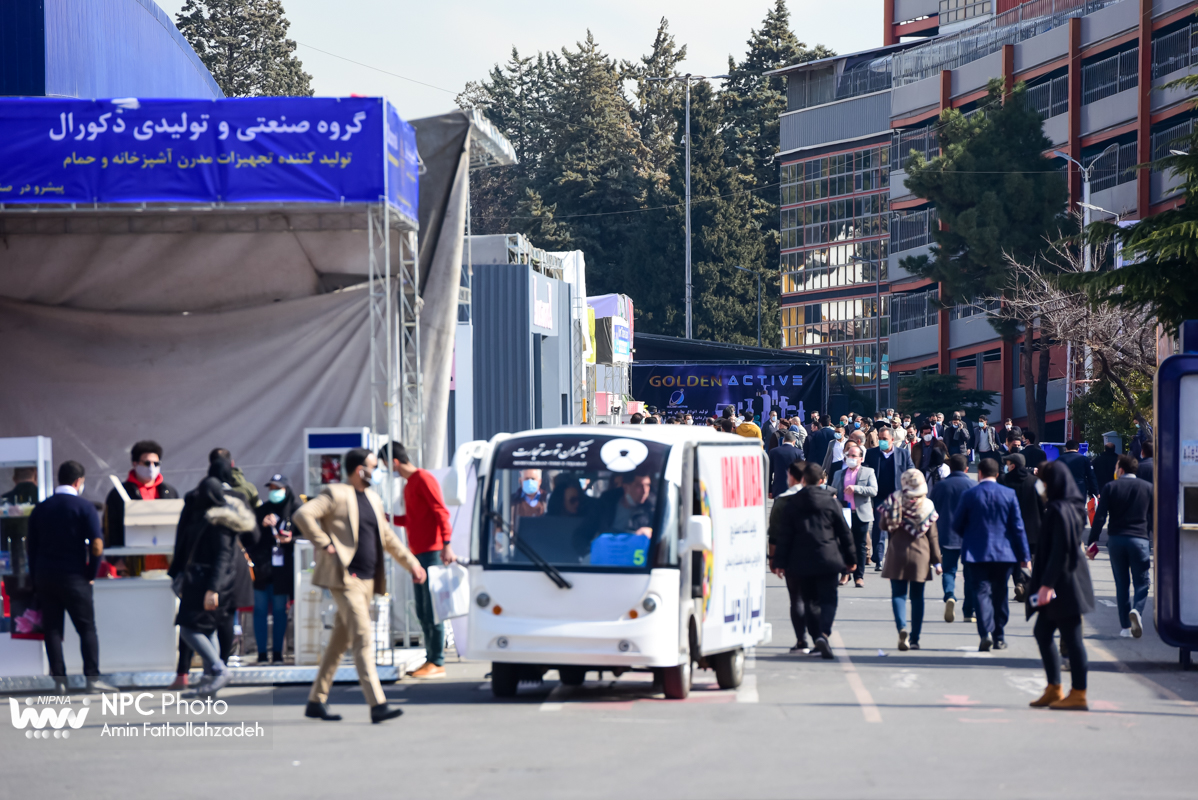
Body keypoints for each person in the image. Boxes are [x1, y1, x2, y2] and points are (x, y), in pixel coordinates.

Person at [295, 448, 425, 723]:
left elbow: (388, 537)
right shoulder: (336, 493)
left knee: (338, 644)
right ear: (359, 469)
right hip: (345, 580)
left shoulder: (374, 499)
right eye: (373, 466)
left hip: (368, 581)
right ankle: (377, 704)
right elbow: (303, 515)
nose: (377, 471)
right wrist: (324, 542)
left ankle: (315, 701)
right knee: (364, 638)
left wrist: (412, 563)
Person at [169, 473, 256, 699]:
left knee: (188, 627)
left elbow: (222, 558)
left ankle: (218, 670)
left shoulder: (218, 523)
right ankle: (209, 681)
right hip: (203, 581)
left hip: (206, 583)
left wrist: (213, 589)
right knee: (208, 629)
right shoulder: (210, 518)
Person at [27, 461, 110, 693]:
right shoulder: (84, 508)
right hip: (75, 576)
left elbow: (31, 549)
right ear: (78, 481)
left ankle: (59, 682)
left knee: (52, 629)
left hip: (45, 575)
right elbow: (96, 544)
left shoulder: (40, 508)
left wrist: (36, 577)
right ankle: (92, 679)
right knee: (86, 628)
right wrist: (91, 573)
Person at [381, 443, 455, 680]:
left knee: (431, 608)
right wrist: (389, 518)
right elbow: (413, 519)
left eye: (384, 464)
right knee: (422, 609)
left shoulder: (423, 478)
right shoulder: (409, 484)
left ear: (394, 462)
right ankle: (431, 657)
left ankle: (437, 661)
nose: (385, 469)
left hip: (431, 552)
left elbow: (440, 511)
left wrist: (447, 544)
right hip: (417, 553)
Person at [770, 463, 856, 660]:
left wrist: (778, 561)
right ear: (822, 481)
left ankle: (815, 636)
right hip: (829, 557)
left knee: (809, 601)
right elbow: (844, 532)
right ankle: (824, 634)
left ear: (802, 480)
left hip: (801, 560)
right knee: (828, 598)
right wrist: (851, 559)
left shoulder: (792, 503)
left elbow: (785, 535)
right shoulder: (831, 502)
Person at [1028, 461, 1095, 711]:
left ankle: (1078, 692)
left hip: (1063, 585)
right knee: (1044, 633)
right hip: (1063, 582)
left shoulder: (1058, 509)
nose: (1040, 485)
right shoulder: (1071, 505)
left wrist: (1047, 584)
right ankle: (1054, 687)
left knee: (1072, 638)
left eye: (1042, 480)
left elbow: (1060, 550)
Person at [951, 457, 1031, 651]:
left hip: (976, 553)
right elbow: (1018, 527)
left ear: (979, 473)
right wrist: (1025, 556)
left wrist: (969, 536)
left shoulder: (970, 495)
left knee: (981, 593)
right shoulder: (1009, 494)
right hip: (1004, 554)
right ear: (997, 474)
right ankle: (999, 635)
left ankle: (984, 632)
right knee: (1000, 594)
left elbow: (957, 524)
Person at [1087, 455, 1153, 639]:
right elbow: (1155, 518)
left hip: (1116, 540)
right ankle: (1137, 611)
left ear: (1121, 469)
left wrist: (1092, 542)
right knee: (1142, 582)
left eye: (1116, 467)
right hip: (1139, 540)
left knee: (1122, 584)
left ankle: (1125, 627)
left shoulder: (1110, 487)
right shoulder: (1148, 488)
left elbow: (1099, 517)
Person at [879, 469, 943, 651]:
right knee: (917, 598)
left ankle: (902, 628)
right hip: (920, 556)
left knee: (898, 595)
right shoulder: (927, 505)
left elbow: (883, 525)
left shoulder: (895, 499)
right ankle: (915, 638)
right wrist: (937, 561)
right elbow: (933, 536)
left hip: (897, 553)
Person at [247, 473, 302, 663]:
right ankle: (262, 653)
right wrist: (261, 526)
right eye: (271, 489)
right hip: (262, 568)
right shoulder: (262, 510)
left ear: (286, 490)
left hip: (283, 569)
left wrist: (290, 539)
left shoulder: (296, 510)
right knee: (260, 610)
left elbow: (306, 537)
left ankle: (277, 653)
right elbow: (250, 538)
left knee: (280, 611)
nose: (274, 492)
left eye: (278, 489)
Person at [104, 440, 180, 547]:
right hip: (132, 556)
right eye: (147, 463)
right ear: (135, 463)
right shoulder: (119, 493)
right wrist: (117, 559)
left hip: (165, 555)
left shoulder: (169, 492)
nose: (152, 467)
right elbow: (110, 527)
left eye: (156, 463)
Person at [768, 461, 809, 653]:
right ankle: (820, 635)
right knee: (815, 597)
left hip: (793, 554)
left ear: (793, 477)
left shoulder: (783, 500)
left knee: (797, 598)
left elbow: (774, 533)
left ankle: (802, 639)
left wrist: (773, 558)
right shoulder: (822, 497)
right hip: (819, 554)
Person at [930, 455, 975, 623]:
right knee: (971, 574)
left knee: (949, 570)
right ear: (966, 469)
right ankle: (969, 611)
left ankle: (950, 595)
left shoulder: (940, 486)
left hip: (946, 535)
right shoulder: (973, 485)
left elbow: (931, 509)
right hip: (969, 537)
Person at [864, 428, 915, 572]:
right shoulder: (871, 453)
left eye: (885, 439)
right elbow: (866, 470)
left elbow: (911, 471)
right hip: (879, 496)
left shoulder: (903, 454)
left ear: (892, 439)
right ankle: (878, 559)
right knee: (879, 527)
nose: (882, 441)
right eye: (880, 438)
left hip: (897, 497)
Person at [830, 443, 877, 588]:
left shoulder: (868, 472)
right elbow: (833, 489)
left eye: (854, 456)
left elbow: (873, 490)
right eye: (848, 455)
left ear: (861, 459)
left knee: (860, 546)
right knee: (843, 545)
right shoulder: (839, 473)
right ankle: (845, 574)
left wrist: (856, 489)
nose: (850, 458)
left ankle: (859, 576)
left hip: (860, 513)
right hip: (843, 514)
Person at [1001, 453, 1045, 556]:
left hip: (1009, 530)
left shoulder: (1002, 481)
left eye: (1007, 464)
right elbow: (1044, 502)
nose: (1007, 467)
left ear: (1013, 466)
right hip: (1033, 531)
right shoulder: (1036, 481)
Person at [768, 431, 804, 500]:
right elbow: (802, 472)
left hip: (778, 487)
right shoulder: (799, 452)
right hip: (794, 488)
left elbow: (769, 472)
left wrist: (769, 489)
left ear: (783, 440)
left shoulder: (773, 452)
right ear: (794, 442)